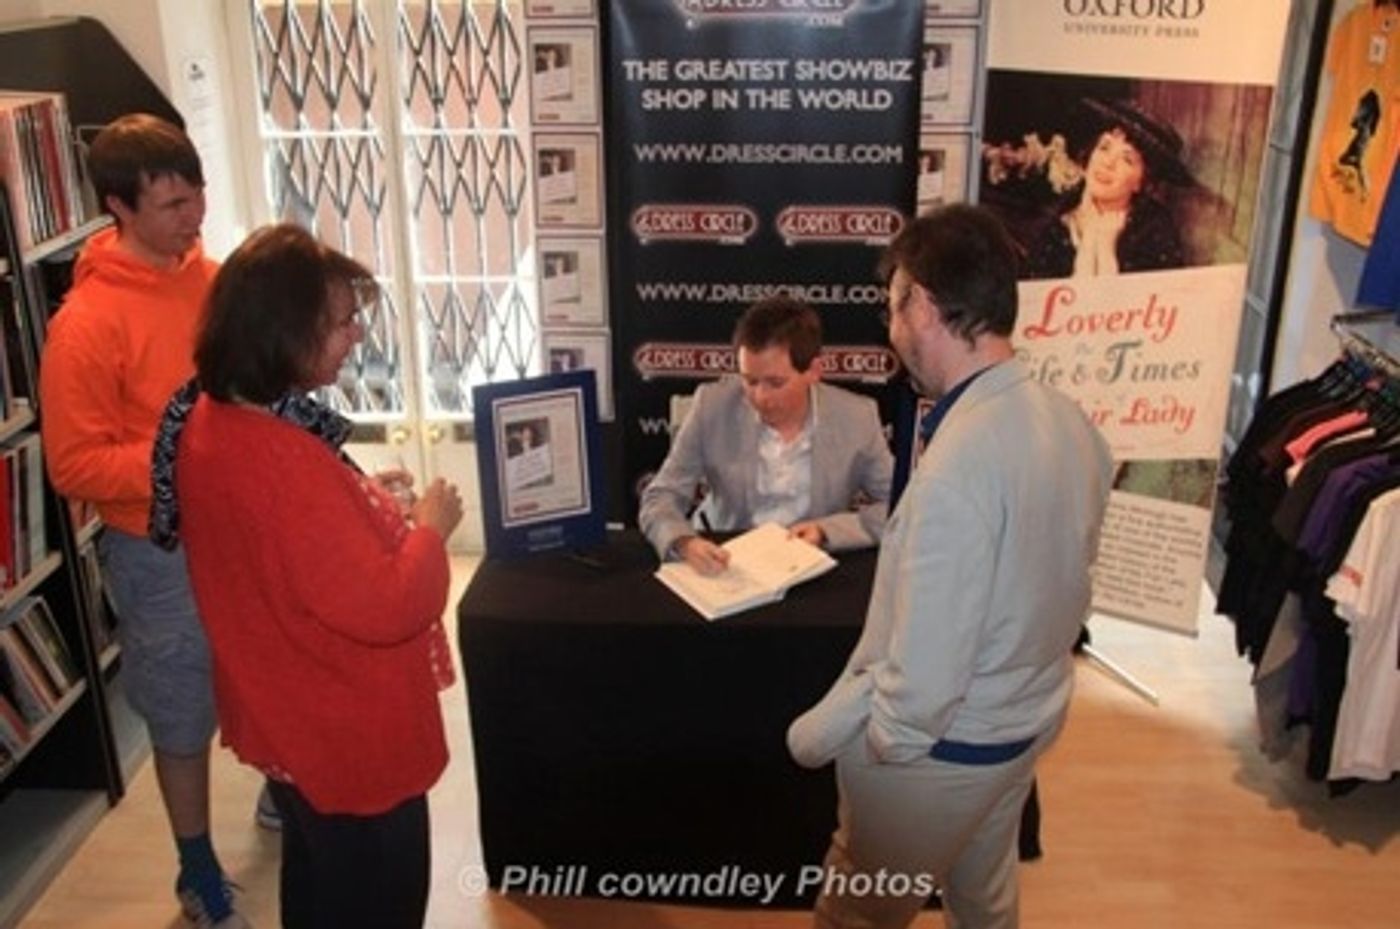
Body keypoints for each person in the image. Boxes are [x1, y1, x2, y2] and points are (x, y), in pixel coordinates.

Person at [788, 204, 1112, 929]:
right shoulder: (1068, 420)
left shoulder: (958, 468)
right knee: (984, 897)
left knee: (858, 913)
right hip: (1022, 724)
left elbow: (924, 684)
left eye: (892, 305)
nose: (888, 326)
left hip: (943, 753)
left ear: (925, 306)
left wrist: (882, 749)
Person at [149, 223, 463, 928]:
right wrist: (430, 532)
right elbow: (390, 606)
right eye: (342, 321)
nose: (356, 335)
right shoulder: (279, 461)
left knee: (317, 880)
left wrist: (362, 501)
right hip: (346, 733)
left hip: (284, 718)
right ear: (283, 331)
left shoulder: (210, 418)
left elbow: (283, 554)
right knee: (376, 898)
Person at [38, 113, 250, 928]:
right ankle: (196, 866)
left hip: (240, 523)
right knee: (181, 705)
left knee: (264, 666)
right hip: (157, 549)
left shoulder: (213, 277)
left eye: (196, 196)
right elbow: (75, 466)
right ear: (118, 208)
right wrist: (183, 458)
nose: (192, 218)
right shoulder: (84, 326)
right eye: (170, 206)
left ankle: (279, 789)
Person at [639, 296, 893, 574]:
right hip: (726, 557)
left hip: (808, 564)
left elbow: (899, 506)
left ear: (814, 371)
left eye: (775, 383)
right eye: (750, 380)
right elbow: (661, 496)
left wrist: (827, 531)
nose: (760, 397)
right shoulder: (711, 406)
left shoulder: (857, 417)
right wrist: (684, 542)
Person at [1022, 96, 1191, 279]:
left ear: (1141, 182)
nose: (1108, 163)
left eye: (1127, 159)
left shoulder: (1155, 229)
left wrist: (1106, 248)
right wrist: (1087, 246)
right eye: (1104, 148)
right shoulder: (1053, 229)